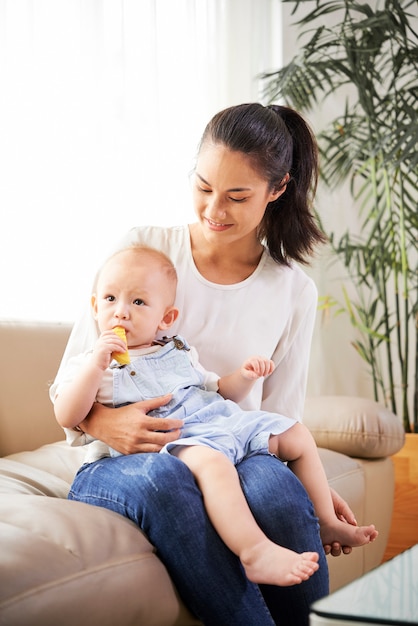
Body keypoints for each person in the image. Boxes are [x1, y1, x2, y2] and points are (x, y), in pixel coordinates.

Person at [50, 103, 361, 626]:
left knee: (279, 495)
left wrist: (314, 494)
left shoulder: (291, 290)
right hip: (125, 460)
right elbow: (71, 379)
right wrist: (108, 423)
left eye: (238, 196)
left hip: (230, 441)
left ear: (277, 189)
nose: (214, 208)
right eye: (202, 187)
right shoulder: (143, 250)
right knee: (166, 480)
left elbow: (282, 414)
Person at [54, 244, 377, 588]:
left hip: (219, 421)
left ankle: (325, 520)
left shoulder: (177, 349)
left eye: (138, 302)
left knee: (296, 434)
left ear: (166, 318)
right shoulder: (91, 364)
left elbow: (219, 390)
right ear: (94, 306)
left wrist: (245, 377)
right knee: (213, 463)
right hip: (180, 440)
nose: (121, 312)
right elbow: (67, 413)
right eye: (109, 299)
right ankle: (254, 551)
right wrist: (95, 366)